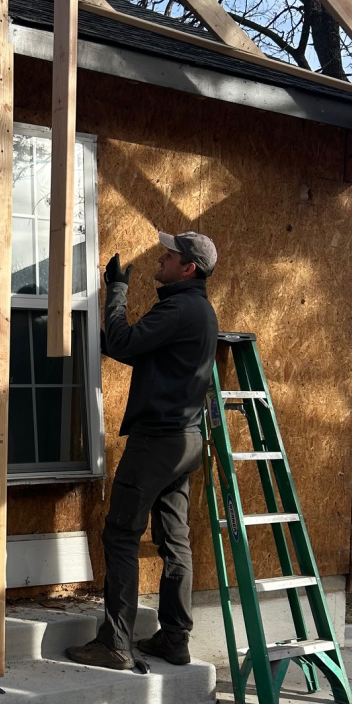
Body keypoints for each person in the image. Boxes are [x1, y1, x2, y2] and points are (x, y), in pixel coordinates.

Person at [66, 231, 219, 671]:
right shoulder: (199, 310)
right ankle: (174, 639)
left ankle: (115, 643)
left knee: (121, 534)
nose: (161, 259)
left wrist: (116, 291)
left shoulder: (179, 307)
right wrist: (98, 335)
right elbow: (143, 353)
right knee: (174, 540)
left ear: (188, 268)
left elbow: (126, 342)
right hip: (184, 441)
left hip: (156, 443)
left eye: (169, 256)